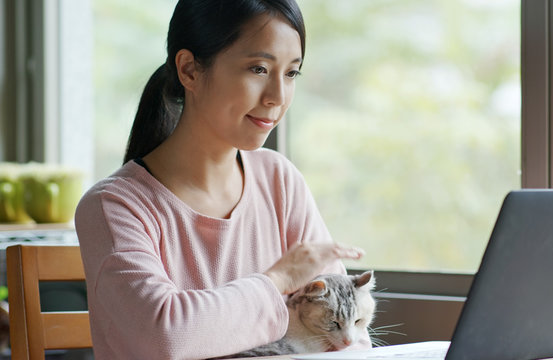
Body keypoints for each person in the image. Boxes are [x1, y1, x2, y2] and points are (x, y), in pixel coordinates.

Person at [74, 0, 368, 358]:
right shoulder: (114, 206)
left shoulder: (280, 181)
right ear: (190, 70)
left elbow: (351, 341)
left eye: (292, 73)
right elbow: (165, 336)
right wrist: (277, 281)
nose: (278, 96)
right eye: (258, 69)